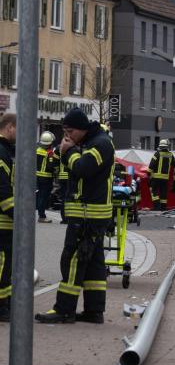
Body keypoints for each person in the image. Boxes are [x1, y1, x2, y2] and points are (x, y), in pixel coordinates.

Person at [36, 108, 115, 324]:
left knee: (72, 260)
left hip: (88, 216)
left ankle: (64, 309)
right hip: (89, 215)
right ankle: (94, 311)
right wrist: (68, 153)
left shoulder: (100, 144)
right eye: (64, 131)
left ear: (81, 128)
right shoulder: (88, 143)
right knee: (94, 264)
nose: (67, 136)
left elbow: (82, 169)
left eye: (70, 130)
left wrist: (69, 152)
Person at [0, 114, 16, 322]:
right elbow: (2, 190)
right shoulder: (2, 153)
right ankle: (2, 309)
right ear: (10, 127)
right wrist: (18, 215)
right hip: (3, 221)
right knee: (3, 266)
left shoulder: (5, 151)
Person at [36, 131, 58, 223]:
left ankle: (41, 214)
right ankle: (42, 216)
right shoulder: (49, 153)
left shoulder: (37, 150)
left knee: (40, 195)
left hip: (38, 176)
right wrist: (56, 169)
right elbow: (51, 167)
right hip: (46, 178)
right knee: (44, 197)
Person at [147, 139, 174, 211]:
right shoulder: (170, 155)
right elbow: (174, 164)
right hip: (165, 178)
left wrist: (148, 173)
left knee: (154, 191)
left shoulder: (157, 153)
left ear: (160, 146)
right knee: (163, 193)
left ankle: (157, 207)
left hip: (156, 177)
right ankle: (163, 207)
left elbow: (152, 164)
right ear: (167, 146)